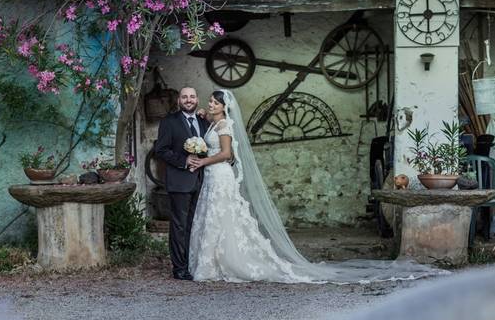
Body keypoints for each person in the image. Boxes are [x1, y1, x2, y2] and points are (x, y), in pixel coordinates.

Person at [186, 89, 443, 284]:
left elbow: (227, 153)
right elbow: (212, 134)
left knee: (224, 217)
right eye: (209, 102)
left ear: (224, 107)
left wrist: (201, 160)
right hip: (212, 175)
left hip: (219, 174)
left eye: (214, 102)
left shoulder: (225, 125)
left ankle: (226, 263)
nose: (209, 104)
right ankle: (213, 263)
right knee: (215, 217)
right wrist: (202, 122)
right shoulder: (212, 122)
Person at [154, 87, 209, 280]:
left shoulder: (203, 121)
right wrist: (183, 161)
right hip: (179, 181)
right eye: (185, 97)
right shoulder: (169, 122)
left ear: (197, 99)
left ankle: (194, 263)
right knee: (179, 225)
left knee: (196, 224)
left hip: (202, 182)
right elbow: (160, 150)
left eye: (192, 96)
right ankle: (179, 268)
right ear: (179, 100)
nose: (188, 100)